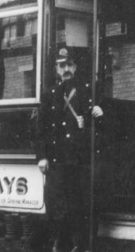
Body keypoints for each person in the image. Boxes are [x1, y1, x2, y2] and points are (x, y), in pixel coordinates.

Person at [37, 47, 103, 252]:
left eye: (69, 65)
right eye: (61, 65)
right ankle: (61, 243)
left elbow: (99, 125)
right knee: (57, 205)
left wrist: (101, 112)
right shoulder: (50, 95)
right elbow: (41, 127)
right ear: (56, 69)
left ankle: (79, 245)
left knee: (79, 204)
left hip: (79, 159)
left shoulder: (87, 91)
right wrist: (42, 157)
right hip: (58, 159)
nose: (66, 69)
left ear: (75, 67)